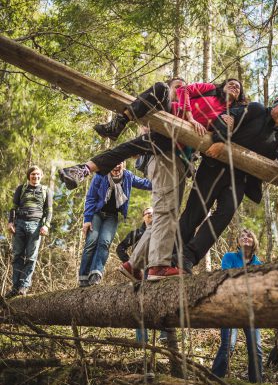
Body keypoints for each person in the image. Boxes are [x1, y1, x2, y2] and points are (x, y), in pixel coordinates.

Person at [59, 78, 246, 280]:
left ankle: (83, 169)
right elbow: (183, 90)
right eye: (231, 83)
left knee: (164, 212)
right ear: (222, 85)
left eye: (238, 86)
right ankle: (158, 266)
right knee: (166, 212)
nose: (234, 86)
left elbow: (218, 131)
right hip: (168, 144)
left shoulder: (227, 113)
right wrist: (189, 117)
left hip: (178, 153)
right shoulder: (200, 94)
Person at [175, 94, 278, 273]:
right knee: (195, 212)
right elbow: (226, 118)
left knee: (224, 215)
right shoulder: (255, 110)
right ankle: (172, 254)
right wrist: (221, 141)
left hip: (240, 180)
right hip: (215, 167)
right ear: (275, 106)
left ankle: (188, 257)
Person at [78, 162, 151, 286]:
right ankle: (83, 276)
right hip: (96, 214)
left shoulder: (128, 176)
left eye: (119, 164)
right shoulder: (100, 176)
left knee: (104, 242)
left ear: (124, 164)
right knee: (92, 241)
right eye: (114, 164)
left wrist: (163, 183)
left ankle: (95, 275)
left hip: (112, 216)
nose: (116, 166)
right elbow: (91, 198)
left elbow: (145, 183)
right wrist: (87, 220)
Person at [211, 229, 263, 383]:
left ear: (254, 241)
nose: (246, 237)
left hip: (250, 310)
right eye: (242, 236)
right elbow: (227, 278)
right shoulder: (229, 257)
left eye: (249, 235)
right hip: (230, 307)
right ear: (238, 242)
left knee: (256, 349)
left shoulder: (258, 263)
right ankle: (214, 383)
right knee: (228, 346)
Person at [6, 165, 53, 298]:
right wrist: (10, 222)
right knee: (17, 256)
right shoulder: (21, 189)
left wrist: (46, 226)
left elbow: (49, 211)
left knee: (31, 258)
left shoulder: (46, 190)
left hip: (36, 226)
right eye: (33, 174)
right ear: (29, 176)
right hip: (19, 224)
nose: (35, 176)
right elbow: (13, 207)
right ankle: (15, 287)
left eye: (38, 174)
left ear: (41, 176)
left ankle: (24, 286)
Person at [116, 206, 153, 280]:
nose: (151, 214)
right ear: (143, 217)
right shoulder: (136, 233)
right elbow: (120, 248)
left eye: (153, 213)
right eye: (148, 213)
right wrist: (129, 262)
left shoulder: (160, 232)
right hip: (142, 267)